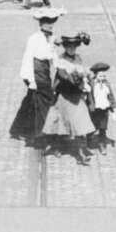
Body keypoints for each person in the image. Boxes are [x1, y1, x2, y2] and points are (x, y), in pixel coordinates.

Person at [9, 7, 64, 146]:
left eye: (52, 22)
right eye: (47, 22)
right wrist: (30, 80)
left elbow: (53, 56)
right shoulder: (34, 38)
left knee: (31, 101)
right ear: (40, 24)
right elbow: (28, 58)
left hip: (45, 72)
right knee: (43, 101)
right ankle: (39, 135)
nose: (50, 25)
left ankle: (18, 130)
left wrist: (62, 67)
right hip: (35, 72)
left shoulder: (51, 37)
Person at [41, 32, 96, 165]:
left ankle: (81, 153)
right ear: (65, 47)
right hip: (64, 94)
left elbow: (82, 72)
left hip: (76, 95)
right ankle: (57, 146)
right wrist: (74, 77)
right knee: (61, 122)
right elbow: (62, 74)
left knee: (80, 123)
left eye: (73, 47)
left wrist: (85, 77)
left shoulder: (78, 58)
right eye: (68, 47)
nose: (71, 49)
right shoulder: (60, 59)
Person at [87, 62, 116, 154]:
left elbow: (111, 96)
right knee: (93, 127)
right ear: (95, 75)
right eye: (100, 76)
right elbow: (88, 96)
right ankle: (88, 139)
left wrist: (114, 107)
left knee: (103, 128)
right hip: (95, 110)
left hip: (104, 110)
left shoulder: (106, 84)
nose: (102, 78)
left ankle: (102, 145)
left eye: (104, 76)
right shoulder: (92, 84)